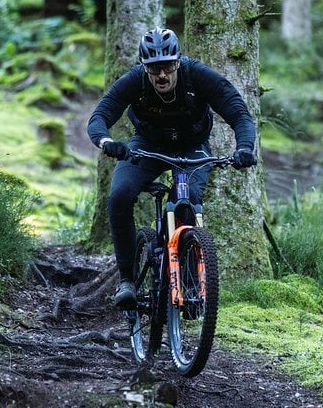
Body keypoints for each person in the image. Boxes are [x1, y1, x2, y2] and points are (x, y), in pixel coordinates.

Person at [87, 27, 258, 308]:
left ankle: (190, 282)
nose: (162, 75)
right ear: (144, 67)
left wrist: (244, 149)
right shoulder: (135, 81)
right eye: (154, 69)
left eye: (167, 66)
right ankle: (127, 281)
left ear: (178, 61)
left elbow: (239, 113)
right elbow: (100, 116)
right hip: (148, 147)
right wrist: (107, 142)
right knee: (119, 195)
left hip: (193, 148)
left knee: (188, 200)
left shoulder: (198, 75)